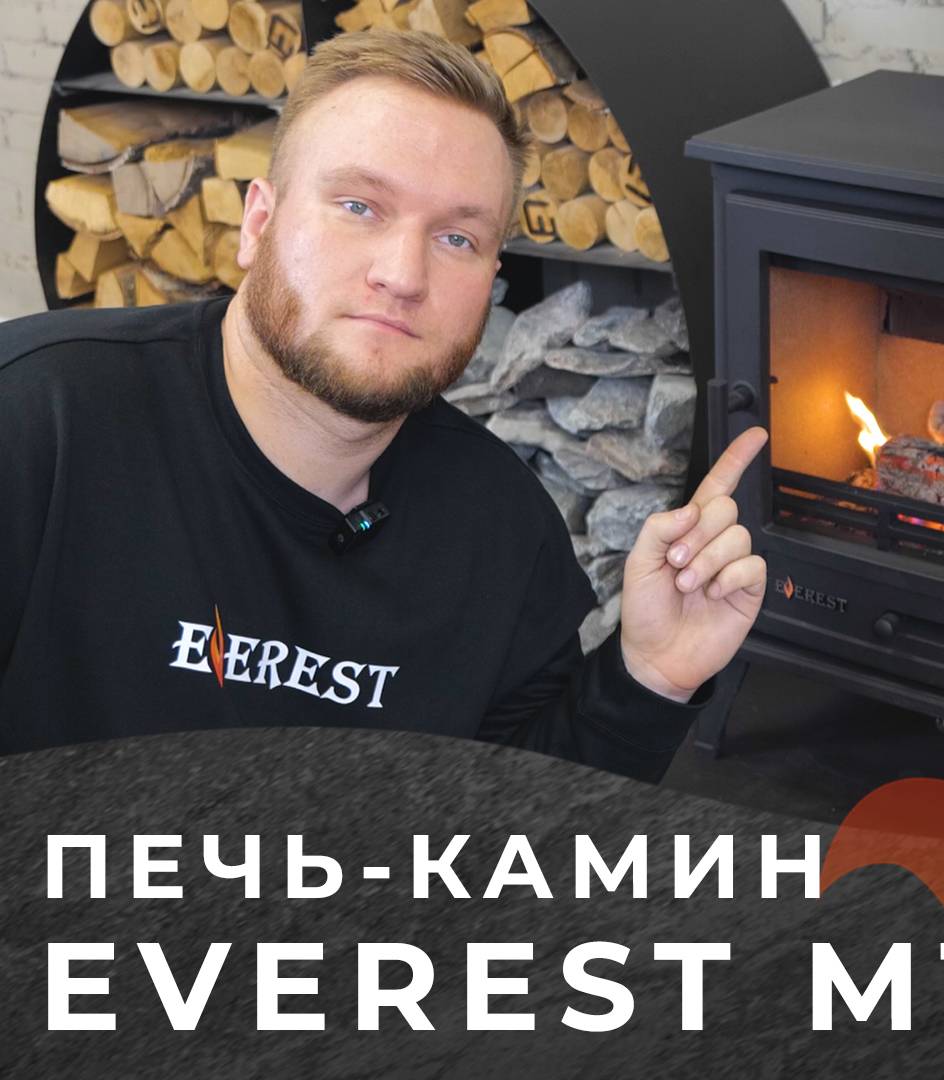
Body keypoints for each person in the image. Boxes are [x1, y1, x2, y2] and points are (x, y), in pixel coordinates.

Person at [0, 30, 766, 782]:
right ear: (258, 224)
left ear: (492, 277)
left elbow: (525, 819)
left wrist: (649, 677)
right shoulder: (37, 421)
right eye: (359, 206)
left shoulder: (501, 529)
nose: (403, 275)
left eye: (457, 239)